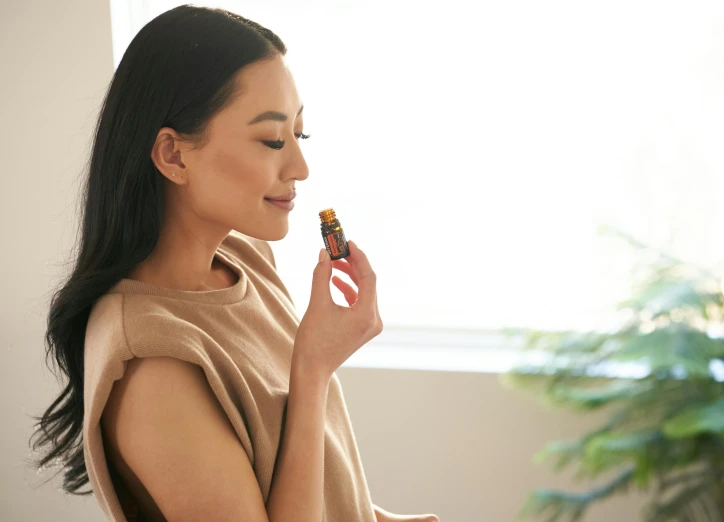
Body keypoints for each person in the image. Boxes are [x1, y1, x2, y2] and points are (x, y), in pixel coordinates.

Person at [29, 5, 439, 522]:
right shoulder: (152, 361)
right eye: (272, 140)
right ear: (173, 155)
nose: (301, 166)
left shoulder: (245, 258)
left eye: (299, 135)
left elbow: (285, 475)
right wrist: (312, 369)